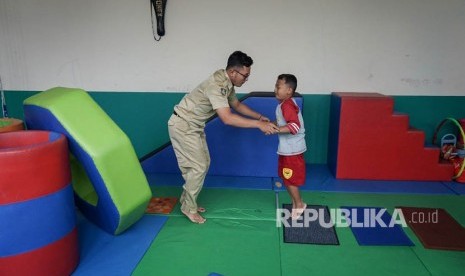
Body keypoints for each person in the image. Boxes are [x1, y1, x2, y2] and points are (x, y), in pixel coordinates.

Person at [168, 51, 279, 224]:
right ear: (234, 72)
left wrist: (258, 117)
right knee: (198, 167)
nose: (246, 79)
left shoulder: (227, 82)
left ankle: (187, 201)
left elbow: (236, 104)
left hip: (194, 126)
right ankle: (188, 207)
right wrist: (258, 125)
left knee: (202, 164)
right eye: (245, 76)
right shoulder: (216, 85)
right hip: (183, 125)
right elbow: (227, 118)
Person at [273, 74, 307, 220]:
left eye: (278, 86)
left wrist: (275, 129)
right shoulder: (285, 104)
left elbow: (294, 126)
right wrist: (273, 124)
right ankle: (295, 202)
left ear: (289, 90)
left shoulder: (287, 105)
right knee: (286, 177)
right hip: (287, 149)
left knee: (290, 178)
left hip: (292, 150)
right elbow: (285, 122)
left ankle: (299, 204)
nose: (275, 89)